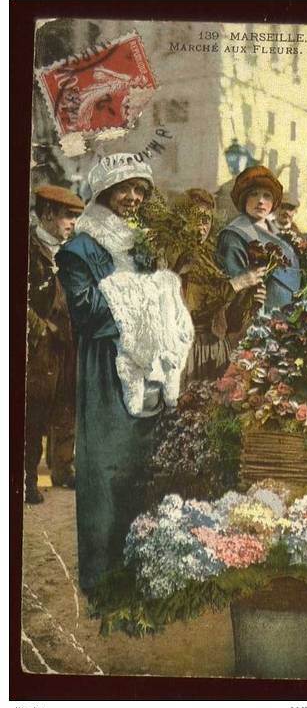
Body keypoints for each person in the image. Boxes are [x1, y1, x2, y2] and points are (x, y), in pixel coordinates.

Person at [56, 153, 192, 593]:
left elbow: (160, 296)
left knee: (141, 464)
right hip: (105, 368)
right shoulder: (80, 248)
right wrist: (142, 301)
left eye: (140, 190)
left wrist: (158, 298)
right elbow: (87, 312)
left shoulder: (143, 244)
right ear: (104, 191)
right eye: (124, 188)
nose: (133, 197)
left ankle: (138, 566)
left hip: (146, 362)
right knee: (106, 466)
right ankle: (103, 574)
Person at [25, 185, 84, 504]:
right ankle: (25, 478)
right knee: (33, 409)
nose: (72, 223)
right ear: (47, 214)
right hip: (39, 344)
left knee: (66, 403)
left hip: (67, 339)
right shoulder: (27, 246)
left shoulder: (70, 250)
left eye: (75, 216)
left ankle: (63, 467)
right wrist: (39, 326)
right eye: (67, 216)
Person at [172, 188, 266, 382]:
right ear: (182, 221)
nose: (201, 227)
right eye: (195, 219)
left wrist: (248, 298)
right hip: (191, 351)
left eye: (206, 220)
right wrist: (236, 284)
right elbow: (193, 310)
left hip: (216, 350)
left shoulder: (213, 259)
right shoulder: (178, 258)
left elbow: (230, 323)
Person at [216, 166, 301, 312]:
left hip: (287, 315)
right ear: (244, 199)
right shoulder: (233, 237)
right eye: (254, 194)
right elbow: (230, 287)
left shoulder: (278, 233)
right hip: (254, 318)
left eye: (267, 195)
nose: (261, 201)